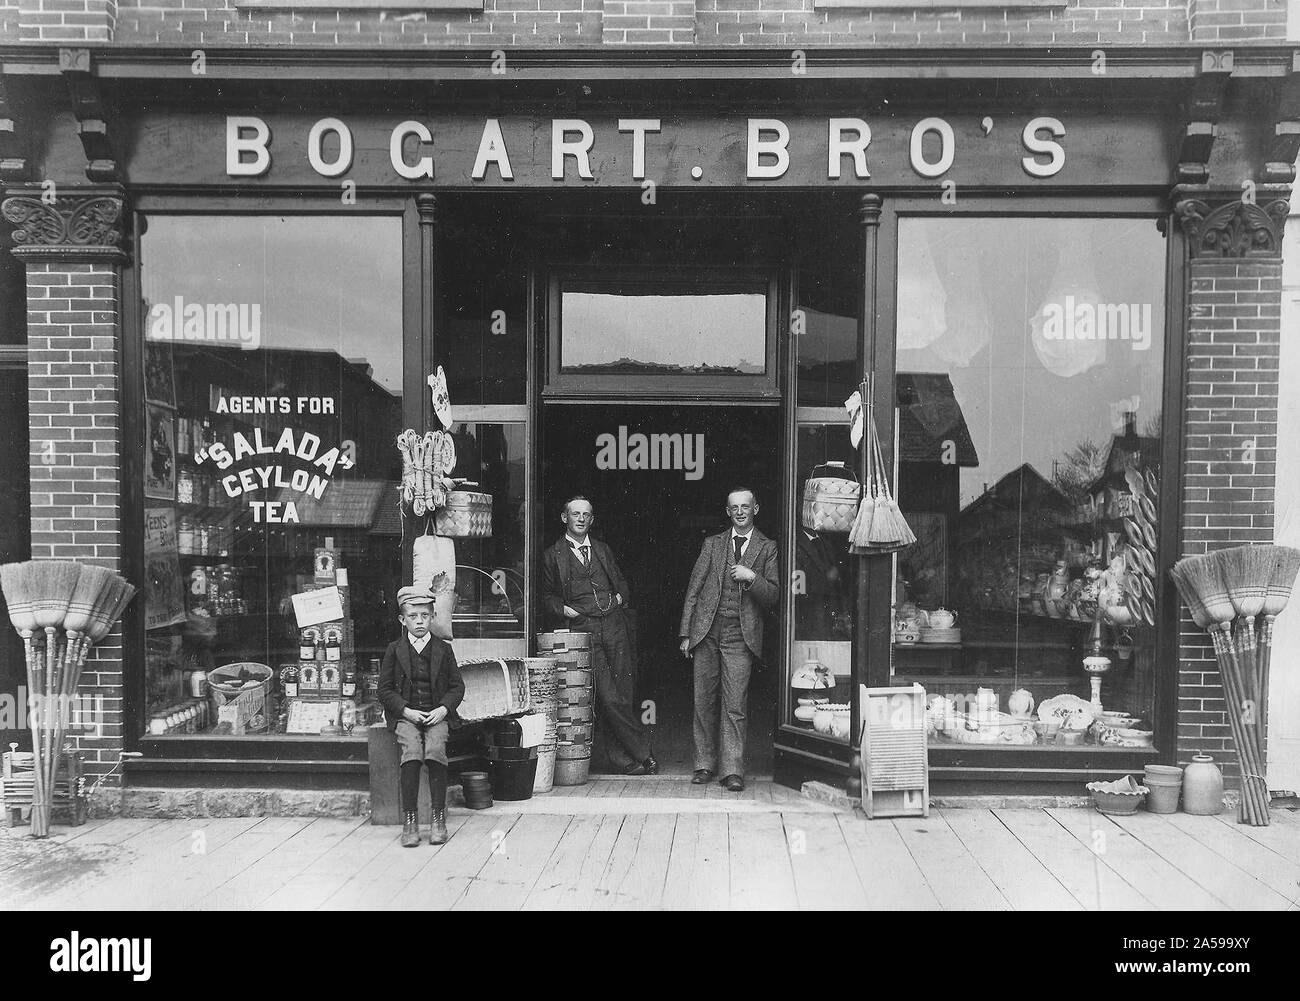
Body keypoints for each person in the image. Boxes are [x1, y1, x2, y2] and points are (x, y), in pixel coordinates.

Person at [542, 495, 657, 776]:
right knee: (607, 696)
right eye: (575, 514)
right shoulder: (552, 554)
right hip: (583, 628)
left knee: (624, 693)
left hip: (614, 625)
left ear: (592, 520)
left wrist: (619, 598)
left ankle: (624, 761)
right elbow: (546, 596)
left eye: (586, 515)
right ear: (564, 518)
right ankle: (643, 753)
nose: (581, 519)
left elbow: (621, 583)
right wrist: (565, 610)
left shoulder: (603, 550)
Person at [679, 487, 779, 792]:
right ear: (728, 512)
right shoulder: (712, 544)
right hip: (707, 633)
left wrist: (751, 576)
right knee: (703, 702)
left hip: (740, 636)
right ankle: (704, 765)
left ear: (755, 509)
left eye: (745, 507)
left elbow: (773, 596)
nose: (739, 512)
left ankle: (732, 770)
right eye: (734, 507)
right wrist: (686, 633)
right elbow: (693, 589)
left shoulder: (767, 547)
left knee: (735, 705)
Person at [378, 585, 465, 848]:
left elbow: (457, 686)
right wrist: (405, 710)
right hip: (407, 715)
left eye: (425, 616)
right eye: (413, 616)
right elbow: (384, 690)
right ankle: (411, 820)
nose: (419, 621)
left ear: (432, 617)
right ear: (402, 620)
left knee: (436, 750)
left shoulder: (443, 649)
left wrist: (443, 709)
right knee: (412, 752)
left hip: (436, 715)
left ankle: (438, 819)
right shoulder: (395, 650)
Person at [795, 526, 849, 640]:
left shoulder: (825, 543)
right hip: (809, 619)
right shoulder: (794, 543)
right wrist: (827, 578)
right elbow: (798, 588)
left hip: (829, 619)